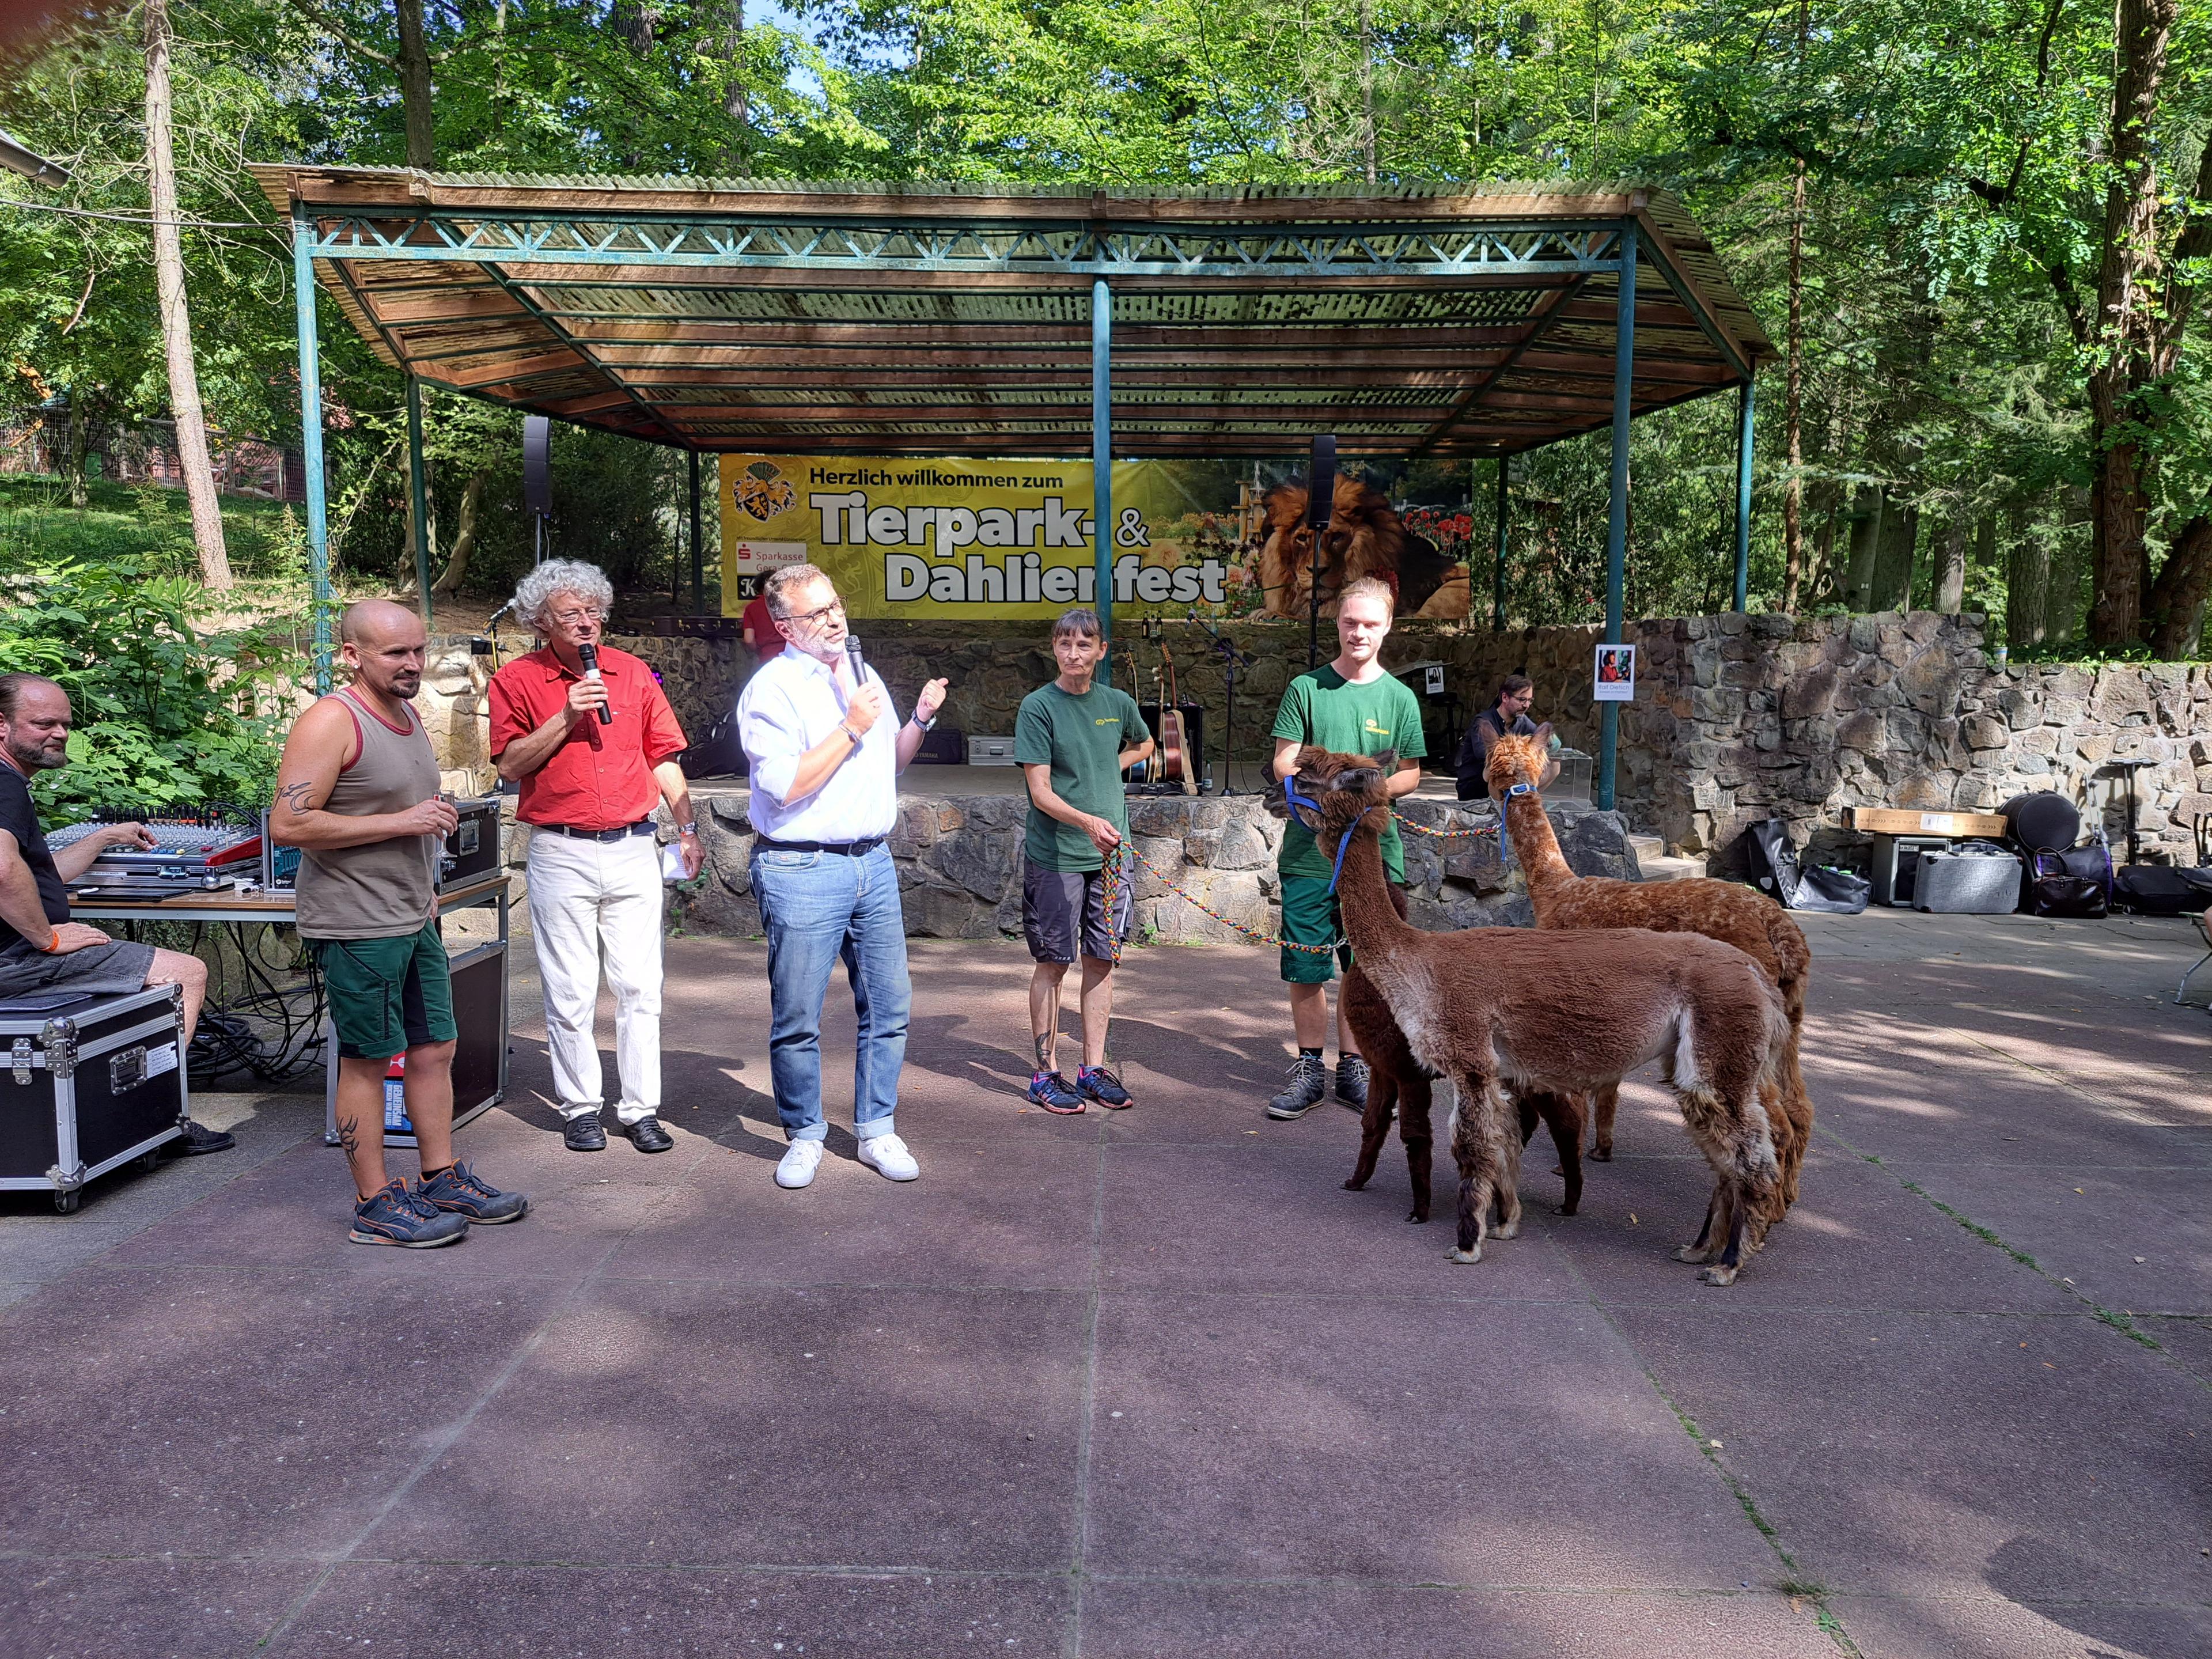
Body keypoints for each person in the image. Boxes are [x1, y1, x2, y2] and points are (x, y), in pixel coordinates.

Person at [272, 599, 528, 1247]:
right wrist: (402, 822)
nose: (412, 664)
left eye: (418, 650)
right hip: (357, 925)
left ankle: (439, 1177)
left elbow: (396, 808)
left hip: (412, 914)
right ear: (352, 656)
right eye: (396, 653)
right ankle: (373, 1203)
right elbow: (289, 825)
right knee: (365, 1061)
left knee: (436, 1047)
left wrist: (424, 864)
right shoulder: (331, 721)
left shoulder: (407, 712)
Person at [736, 563, 947, 1189]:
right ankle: (804, 1134)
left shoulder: (862, 673)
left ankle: (877, 1130)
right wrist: (852, 723)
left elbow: (889, 765)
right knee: (798, 1016)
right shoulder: (771, 690)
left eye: (835, 606)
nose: (834, 618)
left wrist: (921, 720)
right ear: (785, 627)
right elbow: (789, 784)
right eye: (816, 613)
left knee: (889, 1007)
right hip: (802, 866)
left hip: (872, 863)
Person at [487, 560, 700, 1156]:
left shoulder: (633, 674)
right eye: (570, 614)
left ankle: (640, 1110)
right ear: (540, 622)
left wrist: (686, 825)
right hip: (561, 850)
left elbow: (663, 757)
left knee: (640, 986)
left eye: (593, 611)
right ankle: (581, 1107)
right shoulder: (516, 681)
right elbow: (510, 765)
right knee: (571, 989)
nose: (586, 623)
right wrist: (567, 715)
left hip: (635, 846)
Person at [0, 673, 232, 1155]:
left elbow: (40, 875)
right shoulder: (6, 787)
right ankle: (160, 1120)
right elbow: (3, 870)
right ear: (1, 726)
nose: (60, 733)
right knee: (186, 973)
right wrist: (48, 939)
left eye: (64, 723)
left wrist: (103, 838)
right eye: (43, 723)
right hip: (15, 961)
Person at [1264, 575, 1426, 1120]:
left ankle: (1353, 1067)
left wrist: (1365, 787)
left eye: (1370, 624)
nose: (1359, 633)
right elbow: (1285, 762)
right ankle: (1310, 1067)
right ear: (1337, 622)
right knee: (1307, 964)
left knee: (1365, 966)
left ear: (1386, 628)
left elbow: (1410, 774)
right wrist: (1333, 785)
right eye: (1350, 622)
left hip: (1377, 854)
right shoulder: (1306, 689)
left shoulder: (1400, 698)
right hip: (1311, 851)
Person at [1014, 608, 1154, 1113]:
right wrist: (1088, 822)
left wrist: (1106, 770)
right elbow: (1040, 792)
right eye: (1065, 644)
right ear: (1055, 647)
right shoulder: (1038, 707)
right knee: (1053, 962)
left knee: (1102, 959)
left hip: (1112, 856)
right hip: (1058, 855)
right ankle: (1045, 1073)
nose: (1075, 654)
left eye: (1085, 645)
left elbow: (1146, 743)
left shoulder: (1117, 702)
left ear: (1101, 651)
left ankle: (1093, 1068)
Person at [1454, 673, 1557, 802]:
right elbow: (1484, 754)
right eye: (1521, 700)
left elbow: (1549, 743)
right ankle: (1508, 802)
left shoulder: (1523, 722)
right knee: (1498, 766)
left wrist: (1549, 741)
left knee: (1555, 766)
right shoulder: (1484, 721)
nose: (1526, 705)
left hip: (1509, 785)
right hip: (1476, 787)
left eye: (1530, 700)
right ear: (1505, 697)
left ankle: (1526, 799)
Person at [740, 587, 782, 665]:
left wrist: (758, 651)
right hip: (793, 656)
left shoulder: (752, 608)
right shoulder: (788, 605)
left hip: (767, 657)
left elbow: (749, 640)